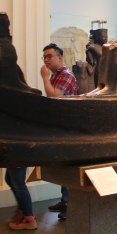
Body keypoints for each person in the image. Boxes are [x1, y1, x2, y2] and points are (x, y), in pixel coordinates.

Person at [41, 43, 79, 219]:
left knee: (69, 166)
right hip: (60, 127)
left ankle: (70, 204)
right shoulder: (56, 76)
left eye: (49, 56)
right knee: (63, 165)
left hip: (69, 127)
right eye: (44, 57)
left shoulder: (66, 76)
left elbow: (54, 96)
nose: (46, 60)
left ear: (60, 57)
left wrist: (44, 77)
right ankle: (65, 200)